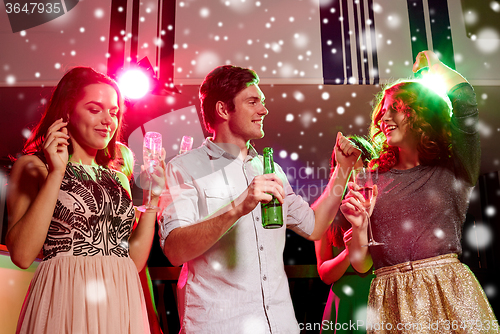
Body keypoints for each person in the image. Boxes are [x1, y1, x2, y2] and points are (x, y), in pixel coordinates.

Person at [158, 65, 361, 333]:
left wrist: (343, 169)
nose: (263, 110)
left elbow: (313, 226)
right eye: (252, 102)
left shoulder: (270, 169)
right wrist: (238, 207)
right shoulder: (184, 167)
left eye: (262, 102)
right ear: (222, 110)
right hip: (219, 326)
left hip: (279, 324)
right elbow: (174, 250)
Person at [341, 51, 497, 333]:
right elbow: (362, 264)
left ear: (421, 114)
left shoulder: (455, 167)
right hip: (390, 300)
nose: (383, 118)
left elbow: (465, 100)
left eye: (395, 108)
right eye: (383, 110)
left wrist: (435, 66)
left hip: (449, 294)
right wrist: (360, 227)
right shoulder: (370, 179)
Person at [6, 67, 160, 334]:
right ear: (67, 111)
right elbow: (21, 254)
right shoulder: (34, 167)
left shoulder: (118, 177)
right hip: (66, 297)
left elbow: (132, 262)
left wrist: (153, 198)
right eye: (94, 109)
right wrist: (57, 172)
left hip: (120, 298)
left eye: (113, 112)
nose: (107, 120)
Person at [315, 135, 376, 334]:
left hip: (378, 296)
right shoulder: (327, 212)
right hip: (343, 303)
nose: (354, 179)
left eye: (359, 170)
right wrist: (348, 252)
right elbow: (324, 273)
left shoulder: (384, 205)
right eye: (345, 168)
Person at [110, 141, 165, 334]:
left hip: (133, 282)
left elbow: (141, 267)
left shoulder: (137, 212)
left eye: (119, 163)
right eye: (111, 160)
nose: (114, 167)